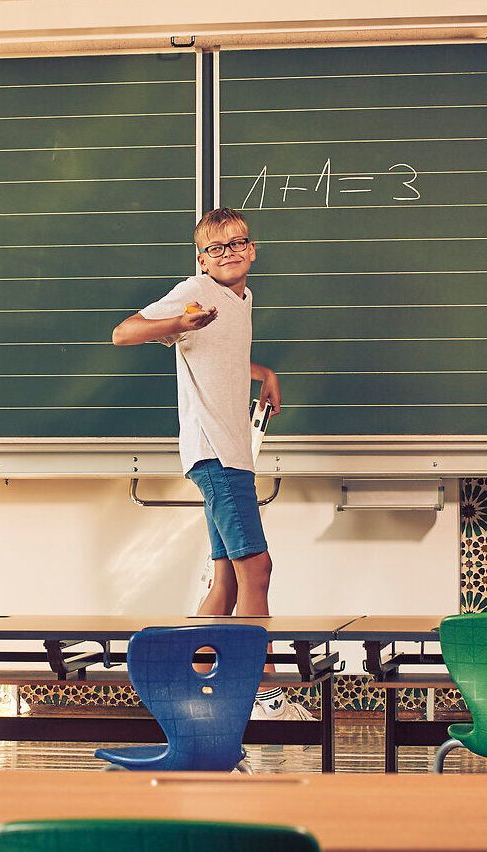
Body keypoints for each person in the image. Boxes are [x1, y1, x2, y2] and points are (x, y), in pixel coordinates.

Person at [112, 207, 309, 721]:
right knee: (257, 570)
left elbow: (219, 354)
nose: (229, 253)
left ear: (253, 250)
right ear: (201, 258)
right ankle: (260, 694)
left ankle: (194, 696)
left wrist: (263, 371)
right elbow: (124, 332)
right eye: (216, 248)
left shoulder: (242, 299)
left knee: (225, 582)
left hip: (232, 452)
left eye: (238, 243)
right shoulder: (195, 291)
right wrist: (177, 322)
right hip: (215, 451)